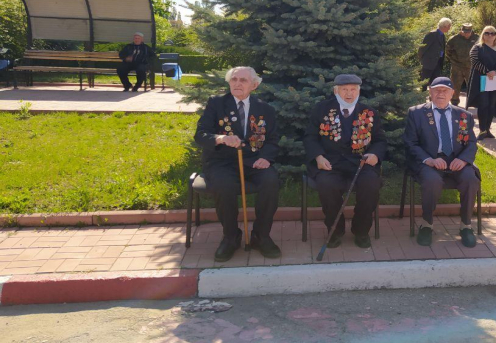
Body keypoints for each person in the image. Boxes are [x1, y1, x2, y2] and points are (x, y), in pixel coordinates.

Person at [194, 66, 281, 262]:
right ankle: (231, 237)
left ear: (254, 85)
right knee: (224, 185)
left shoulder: (265, 109)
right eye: (234, 80)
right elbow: (200, 135)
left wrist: (266, 158)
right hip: (221, 161)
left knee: (271, 181)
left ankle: (261, 236)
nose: (237, 84)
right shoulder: (216, 104)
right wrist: (220, 138)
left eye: (243, 80)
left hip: (253, 160)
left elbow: (273, 139)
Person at [302, 74, 387, 249]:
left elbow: (380, 140)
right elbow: (310, 137)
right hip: (330, 162)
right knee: (327, 185)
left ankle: (361, 230)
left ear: (358, 91)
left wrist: (374, 154)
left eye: (353, 89)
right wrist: (318, 157)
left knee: (371, 184)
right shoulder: (321, 110)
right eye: (344, 89)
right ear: (336, 91)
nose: (349, 94)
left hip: (360, 162)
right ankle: (335, 230)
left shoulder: (369, 112)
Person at [403, 77, 480, 248]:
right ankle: (426, 224)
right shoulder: (416, 113)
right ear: (430, 92)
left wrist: (463, 159)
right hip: (429, 160)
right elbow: (410, 143)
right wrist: (429, 160)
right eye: (437, 90)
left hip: (456, 161)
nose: (440, 93)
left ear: (452, 94)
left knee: (470, 179)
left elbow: (471, 143)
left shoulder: (464, 116)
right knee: (432, 181)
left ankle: (466, 225)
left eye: (445, 90)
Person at [466, 26, 496, 140]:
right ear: (483, 35)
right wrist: (487, 72)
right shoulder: (477, 48)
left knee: (492, 105)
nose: (490, 35)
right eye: (487, 33)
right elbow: (474, 61)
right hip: (481, 80)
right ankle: (482, 130)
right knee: (483, 104)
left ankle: (488, 129)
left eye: (493, 33)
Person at [445, 23, 477, 105]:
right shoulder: (454, 39)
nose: (466, 34)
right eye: (465, 32)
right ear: (461, 31)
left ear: (471, 31)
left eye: (468, 32)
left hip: (471, 66)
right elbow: (447, 50)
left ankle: (472, 102)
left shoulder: (477, 38)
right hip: (457, 66)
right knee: (455, 85)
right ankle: (454, 101)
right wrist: (453, 60)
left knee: (473, 85)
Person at [419, 17, 452, 89]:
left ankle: (433, 96)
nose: (450, 28)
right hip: (428, 63)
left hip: (437, 63)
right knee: (424, 83)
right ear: (445, 26)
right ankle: (421, 95)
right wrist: (422, 61)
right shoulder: (432, 34)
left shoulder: (442, 35)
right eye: (449, 26)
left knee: (435, 83)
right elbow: (422, 48)